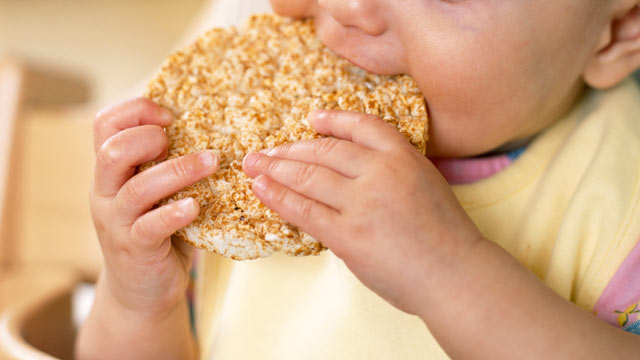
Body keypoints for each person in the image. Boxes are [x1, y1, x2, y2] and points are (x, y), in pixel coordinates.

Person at [76, 0, 640, 358]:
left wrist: (449, 272)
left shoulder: (620, 203)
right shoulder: (234, 178)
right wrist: (138, 304)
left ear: (614, 33)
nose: (349, 8)